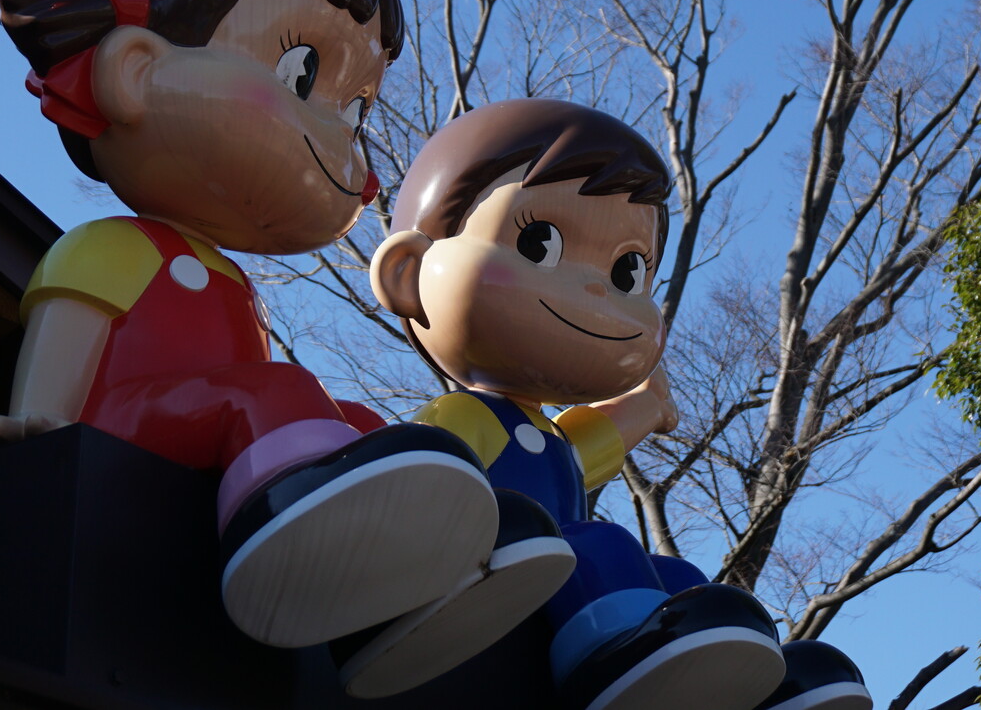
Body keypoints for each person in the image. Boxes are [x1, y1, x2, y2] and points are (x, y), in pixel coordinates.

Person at [0, 0, 501, 669]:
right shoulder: (113, 246)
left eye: (356, 110)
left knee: (366, 425)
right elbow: (70, 335)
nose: (345, 141)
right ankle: (294, 531)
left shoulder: (237, 285)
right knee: (273, 394)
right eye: (302, 73)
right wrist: (36, 429)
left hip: (201, 458)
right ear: (136, 68)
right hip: (116, 438)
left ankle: (405, 594)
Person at [368, 98, 873, 710]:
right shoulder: (464, 418)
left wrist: (647, 406)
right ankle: (612, 656)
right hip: (483, 583)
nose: (593, 287)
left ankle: (740, 683)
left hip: (548, 590)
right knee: (600, 546)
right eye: (539, 242)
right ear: (407, 273)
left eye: (628, 271)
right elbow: (422, 487)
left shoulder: (555, 444)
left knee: (680, 581)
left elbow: (590, 444)